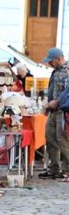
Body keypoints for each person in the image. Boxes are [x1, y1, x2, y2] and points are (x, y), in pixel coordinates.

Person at [38, 48, 69, 180]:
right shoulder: (55, 71)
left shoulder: (67, 71)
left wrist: (57, 102)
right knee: (50, 137)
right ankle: (54, 168)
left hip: (62, 110)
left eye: (51, 61)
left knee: (62, 140)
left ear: (58, 58)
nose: (49, 63)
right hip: (53, 110)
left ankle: (67, 169)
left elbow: (66, 92)